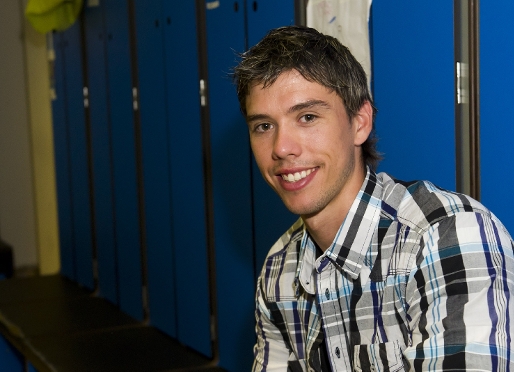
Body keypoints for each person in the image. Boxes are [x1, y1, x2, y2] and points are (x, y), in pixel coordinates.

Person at [233, 26, 514, 371]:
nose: (281, 148)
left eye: (307, 117)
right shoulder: (279, 269)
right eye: (263, 126)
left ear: (360, 122)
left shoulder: (447, 235)